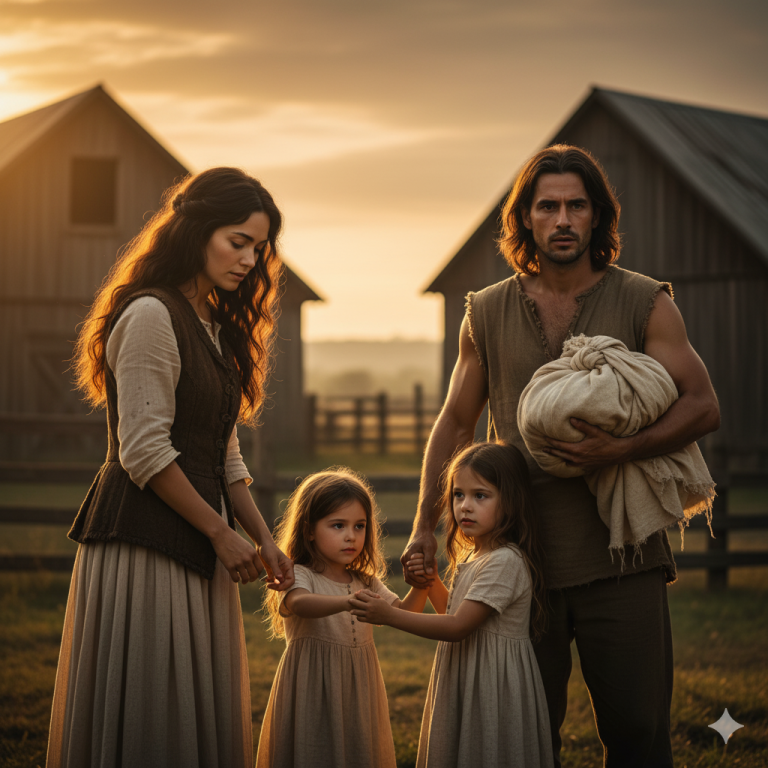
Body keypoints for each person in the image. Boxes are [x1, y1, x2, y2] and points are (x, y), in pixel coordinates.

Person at [401, 145, 721, 767]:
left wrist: (623, 447)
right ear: (525, 219)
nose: (564, 219)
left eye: (578, 205)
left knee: (638, 735)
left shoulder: (644, 301)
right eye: (547, 207)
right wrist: (424, 525)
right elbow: (456, 422)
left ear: (598, 217)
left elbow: (703, 404)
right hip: (519, 562)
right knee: (520, 735)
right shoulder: (487, 311)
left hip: (623, 555)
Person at [47, 167, 295, 768]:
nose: (247, 260)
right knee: (152, 709)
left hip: (202, 539)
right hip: (144, 541)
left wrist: (264, 539)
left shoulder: (212, 325)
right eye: (237, 241)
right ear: (196, 230)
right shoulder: (151, 315)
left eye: (257, 249)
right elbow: (144, 450)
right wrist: (219, 533)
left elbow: (224, 453)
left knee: (191, 707)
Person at [352, 441, 554, 768]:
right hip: (469, 671)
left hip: (491, 682)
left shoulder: (505, 561)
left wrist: (388, 615)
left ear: (511, 502)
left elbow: (459, 626)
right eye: (458, 495)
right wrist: (431, 581)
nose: (465, 507)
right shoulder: (476, 555)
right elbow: (457, 610)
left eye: (480, 496)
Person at [257, 468, 430, 768]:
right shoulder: (300, 574)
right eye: (338, 525)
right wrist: (346, 602)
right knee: (314, 750)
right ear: (309, 529)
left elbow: (403, 614)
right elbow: (298, 603)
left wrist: (422, 585)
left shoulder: (365, 580)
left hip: (358, 688)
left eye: (359, 526)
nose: (351, 536)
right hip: (312, 686)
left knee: (356, 749)